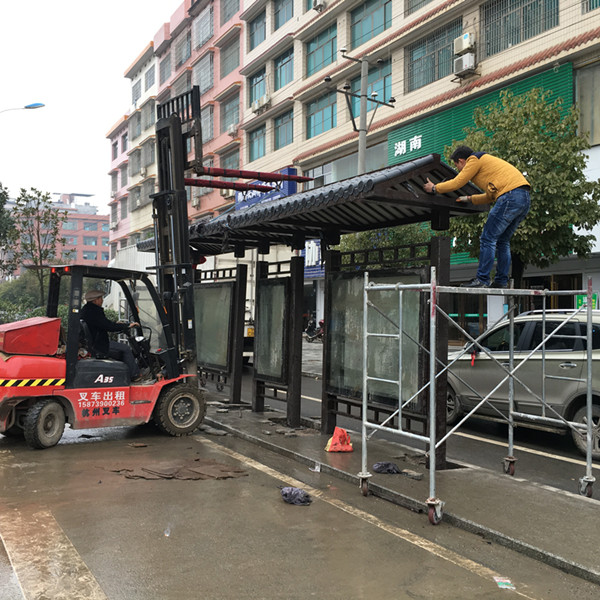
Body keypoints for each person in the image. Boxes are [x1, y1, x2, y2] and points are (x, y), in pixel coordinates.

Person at [423, 146, 531, 288]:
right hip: (523, 198)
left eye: (457, 165)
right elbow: (490, 197)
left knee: (487, 238)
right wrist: (470, 199)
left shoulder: (474, 159)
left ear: (461, 161)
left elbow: (457, 182)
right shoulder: (491, 170)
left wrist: (434, 188)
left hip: (510, 196)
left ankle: (482, 279)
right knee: (503, 241)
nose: (459, 169)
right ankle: (501, 281)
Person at [80, 289, 143, 382]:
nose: (102, 300)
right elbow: (108, 326)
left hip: (95, 342)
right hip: (100, 345)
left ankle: (124, 373)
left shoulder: (87, 310)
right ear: (95, 300)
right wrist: (127, 325)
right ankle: (135, 375)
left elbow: (103, 324)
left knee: (122, 349)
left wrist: (117, 324)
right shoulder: (94, 312)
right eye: (101, 298)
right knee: (125, 349)